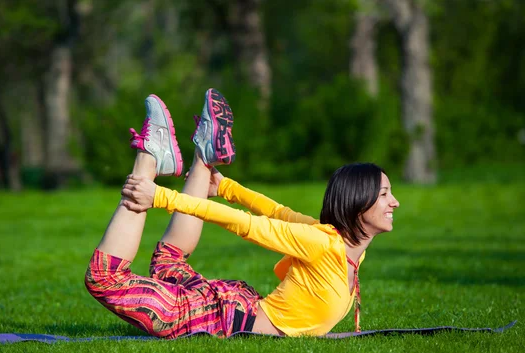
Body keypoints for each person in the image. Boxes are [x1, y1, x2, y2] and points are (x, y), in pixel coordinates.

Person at [85, 88, 400, 339]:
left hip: (232, 310)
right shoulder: (323, 243)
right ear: (359, 204)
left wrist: (226, 188)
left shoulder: (342, 247)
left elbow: (278, 212)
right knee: (104, 279)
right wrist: (160, 196)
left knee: (168, 262)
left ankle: (204, 157)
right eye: (384, 194)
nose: (394, 202)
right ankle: (151, 156)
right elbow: (245, 223)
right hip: (214, 319)